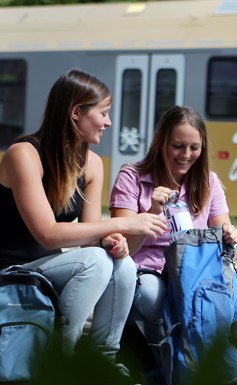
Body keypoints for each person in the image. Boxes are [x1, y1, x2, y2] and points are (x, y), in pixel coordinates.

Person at [0, 70, 168, 365]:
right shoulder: (23, 154)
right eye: (103, 113)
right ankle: (60, 362)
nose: (108, 122)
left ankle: (103, 360)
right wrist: (122, 223)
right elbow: (47, 234)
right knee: (96, 261)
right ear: (76, 112)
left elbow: (92, 235)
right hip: (11, 271)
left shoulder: (91, 163)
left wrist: (112, 240)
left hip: (45, 269)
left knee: (122, 264)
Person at [109, 105, 237, 344]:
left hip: (198, 277)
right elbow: (123, 250)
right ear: (161, 142)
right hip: (153, 273)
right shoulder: (132, 177)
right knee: (150, 293)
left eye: (194, 147)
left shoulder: (208, 182)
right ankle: (180, 349)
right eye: (178, 146)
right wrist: (152, 213)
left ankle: (207, 349)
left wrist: (230, 239)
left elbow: (231, 253)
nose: (186, 154)